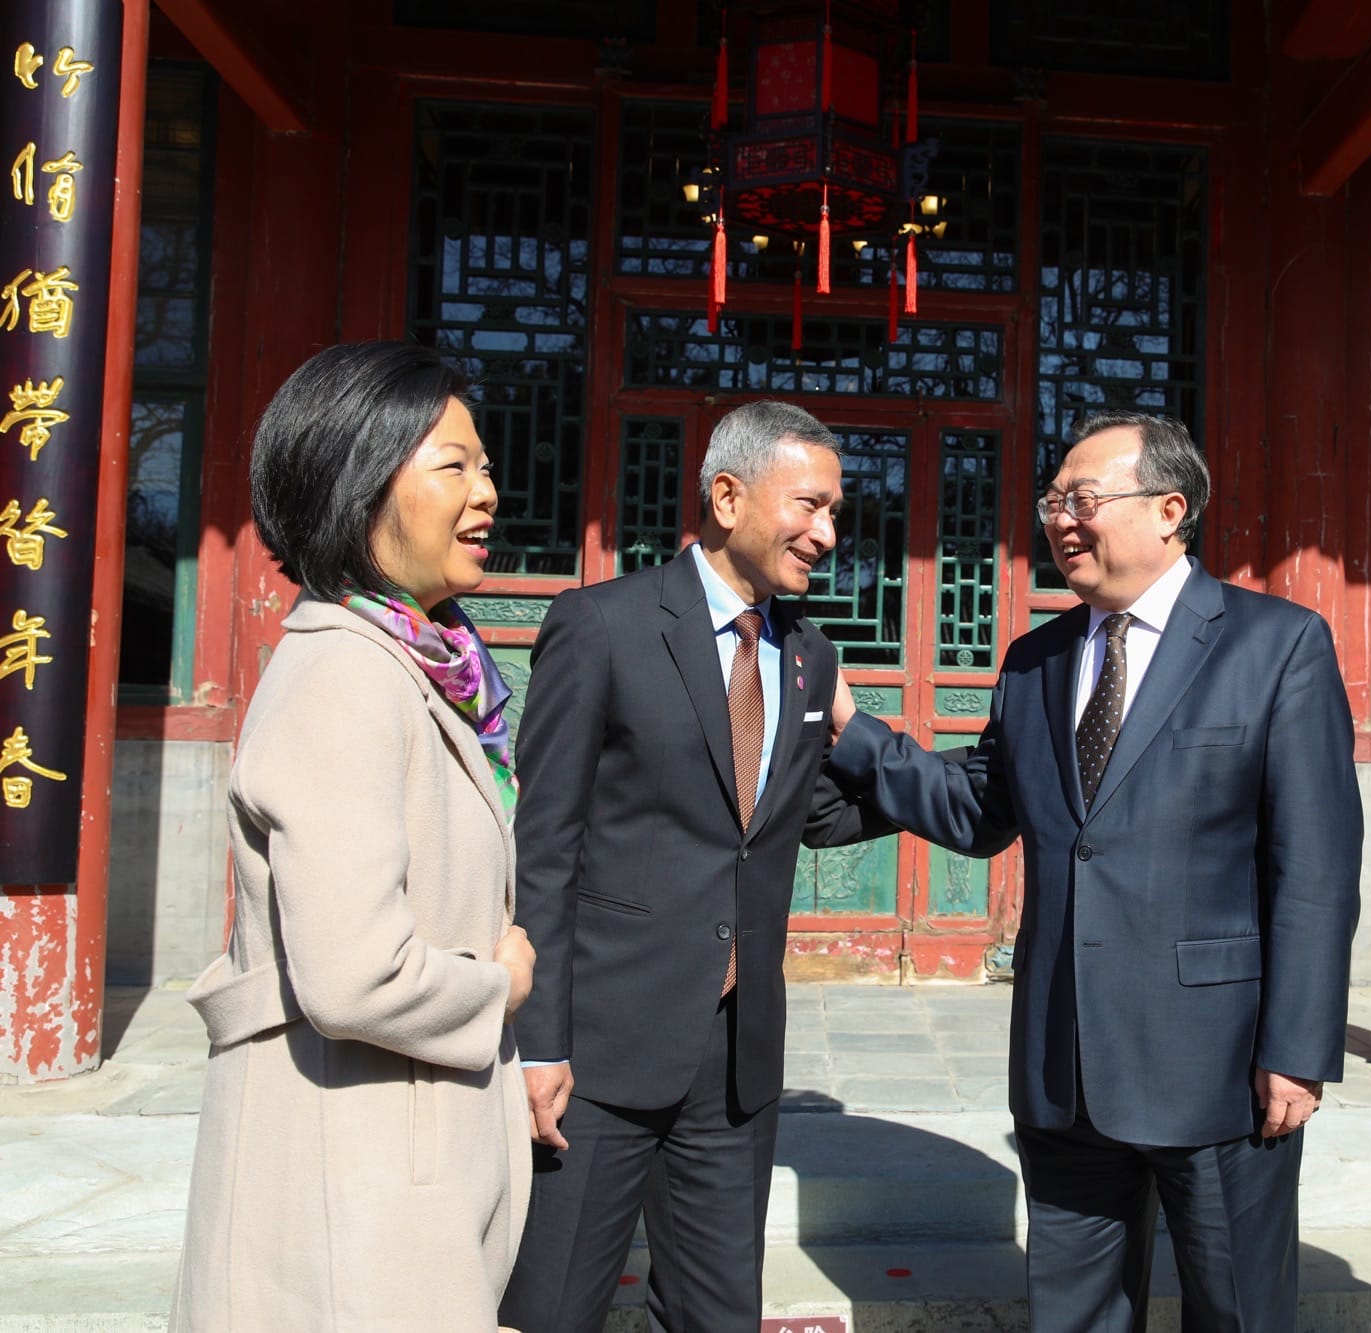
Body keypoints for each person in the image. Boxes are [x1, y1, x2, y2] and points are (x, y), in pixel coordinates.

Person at [826, 411, 1364, 1333]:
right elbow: (978, 808)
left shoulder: (1276, 645)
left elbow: (1315, 868)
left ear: (1170, 509)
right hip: (1062, 1062)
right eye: (1053, 501)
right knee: (1070, 1316)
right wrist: (852, 734)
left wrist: (1298, 1049)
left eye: (1084, 498)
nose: (1061, 519)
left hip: (1221, 1067)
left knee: (1239, 1311)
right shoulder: (1035, 661)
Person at [499, 401, 887, 1332]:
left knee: (719, 1315)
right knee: (553, 1308)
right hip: (597, 1048)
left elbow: (799, 816)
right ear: (726, 495)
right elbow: (543, 847)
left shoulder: (807, 656)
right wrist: (540, 1040)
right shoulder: (601, 625)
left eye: (836, 512)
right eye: (809, 506)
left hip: (734, 1052)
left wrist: (977, 787)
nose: (827, 534)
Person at [172, 342, 535, 1330]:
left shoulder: (424, 666)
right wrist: (500, 983)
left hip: (396, 1158)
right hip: (346, 1181)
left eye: (485, 465)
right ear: (357, 482)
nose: (486, 492)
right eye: (452, 466)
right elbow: (353, 974)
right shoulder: (344, 675)